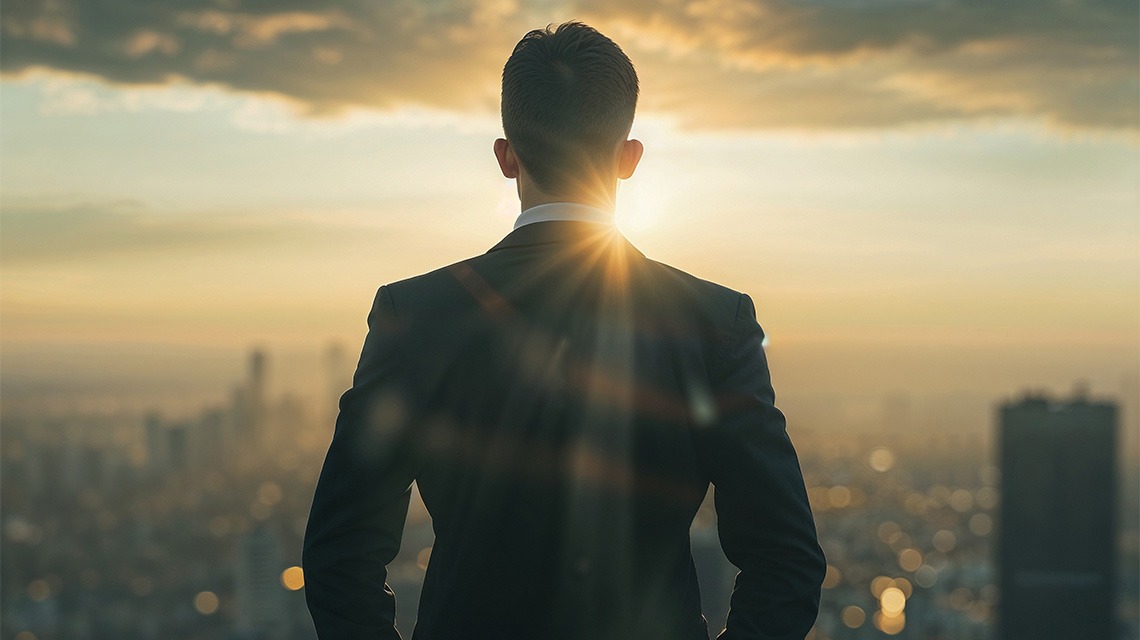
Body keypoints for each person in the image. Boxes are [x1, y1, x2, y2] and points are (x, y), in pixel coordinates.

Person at [302, 20, 825, 640]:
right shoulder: (716, 322)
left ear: (506, 156)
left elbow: (339, 554)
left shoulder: (415, 314)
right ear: (629, 159)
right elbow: (786, 558)